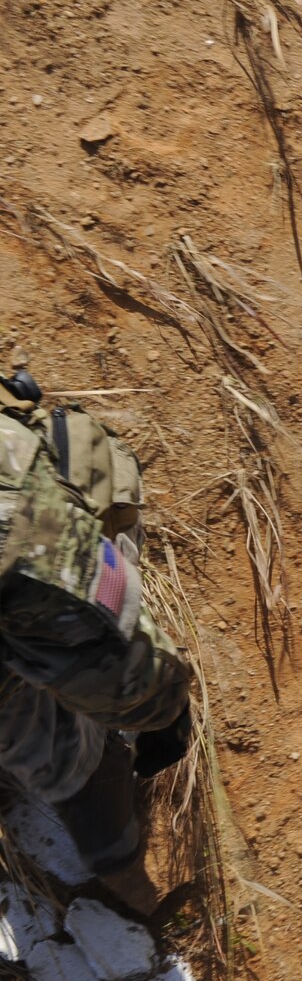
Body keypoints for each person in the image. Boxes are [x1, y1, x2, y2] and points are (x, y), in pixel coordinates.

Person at [1, 369, 192, 914]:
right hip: (31, 569)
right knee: (104, 473)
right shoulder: (14, 519)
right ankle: (122, 870)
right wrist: (166, 707)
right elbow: (121, 672)